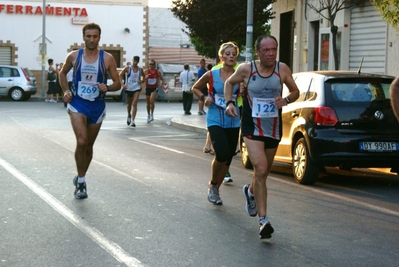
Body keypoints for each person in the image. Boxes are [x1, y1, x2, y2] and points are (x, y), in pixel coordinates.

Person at [224, 35, 299, 239]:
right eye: (266, 50)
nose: (271, 53)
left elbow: (295, 91)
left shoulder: (282, 69)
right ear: (258, 52)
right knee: (261, 167)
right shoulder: (247, 70)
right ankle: (263, 220)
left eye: (273, 49)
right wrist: (229, 103)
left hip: (273, 128)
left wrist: (286, 99)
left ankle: (250, 191)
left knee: (262, 174)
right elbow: (229, 84)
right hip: (252, 126)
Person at [59, 22, 121, 199]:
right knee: (81, 141)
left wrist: (107, 87)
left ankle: (81, 176)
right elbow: (62, 74)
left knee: (89, 146)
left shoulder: (107, 58)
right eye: (88, 36)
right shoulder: (73, 56)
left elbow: (118, 83)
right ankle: (81, 181)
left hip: (97, 105)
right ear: (83, 37)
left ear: (99, 37)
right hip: (78, 103)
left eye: (95, 36)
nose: (91, 39)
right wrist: (65, 91)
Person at [192, 41, 241, 205]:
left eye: (233, 54)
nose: (231, 56)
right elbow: (195, 87)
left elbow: (246, 94)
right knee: (221, 153)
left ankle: (216, 189)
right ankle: (213, 184)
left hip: (233, 119)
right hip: (214, 117)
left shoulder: (239, 74)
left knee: (228, 158)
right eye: (227, 54)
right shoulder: (212, 74)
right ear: (221, 56)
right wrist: (204, 97)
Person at [119, 56, 145, 127]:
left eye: (136, 61)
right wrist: (122, 84)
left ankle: (133, 121)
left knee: (135, 103)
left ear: (138, 62)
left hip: (136, 88)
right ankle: (129, 115)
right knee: (129, 104)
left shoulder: (140, 69)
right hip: (128, 88)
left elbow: (144, 76)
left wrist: (141, 80)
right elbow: (120, 75)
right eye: (134, 61)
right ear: (132, 60)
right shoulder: (127, 68)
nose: (135, 62)